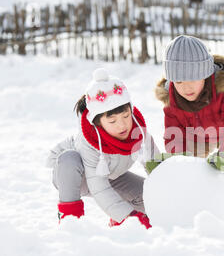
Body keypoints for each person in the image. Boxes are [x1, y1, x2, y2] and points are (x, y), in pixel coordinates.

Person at [151, 35, 224, 228]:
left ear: (205, 73)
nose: (186, 87)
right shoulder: (172, 100)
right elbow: (174, 134)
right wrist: (175, 161)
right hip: (195, 135)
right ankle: (197, 210)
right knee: (192, 170)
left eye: (193, 79)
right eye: (178, 81)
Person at [46, 68, 159, 229]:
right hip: (79, 176)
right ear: (97, 122)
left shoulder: (138, 132)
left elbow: (157, 167)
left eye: (126, 116)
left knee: (150, 199)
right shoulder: (89, 142)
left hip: (113, 174)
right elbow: (99, 188)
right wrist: (127, 216)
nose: (122, 125)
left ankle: (117, 223)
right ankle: (70, 220)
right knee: (69, 158)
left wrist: (169, 194)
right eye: (112, 121)